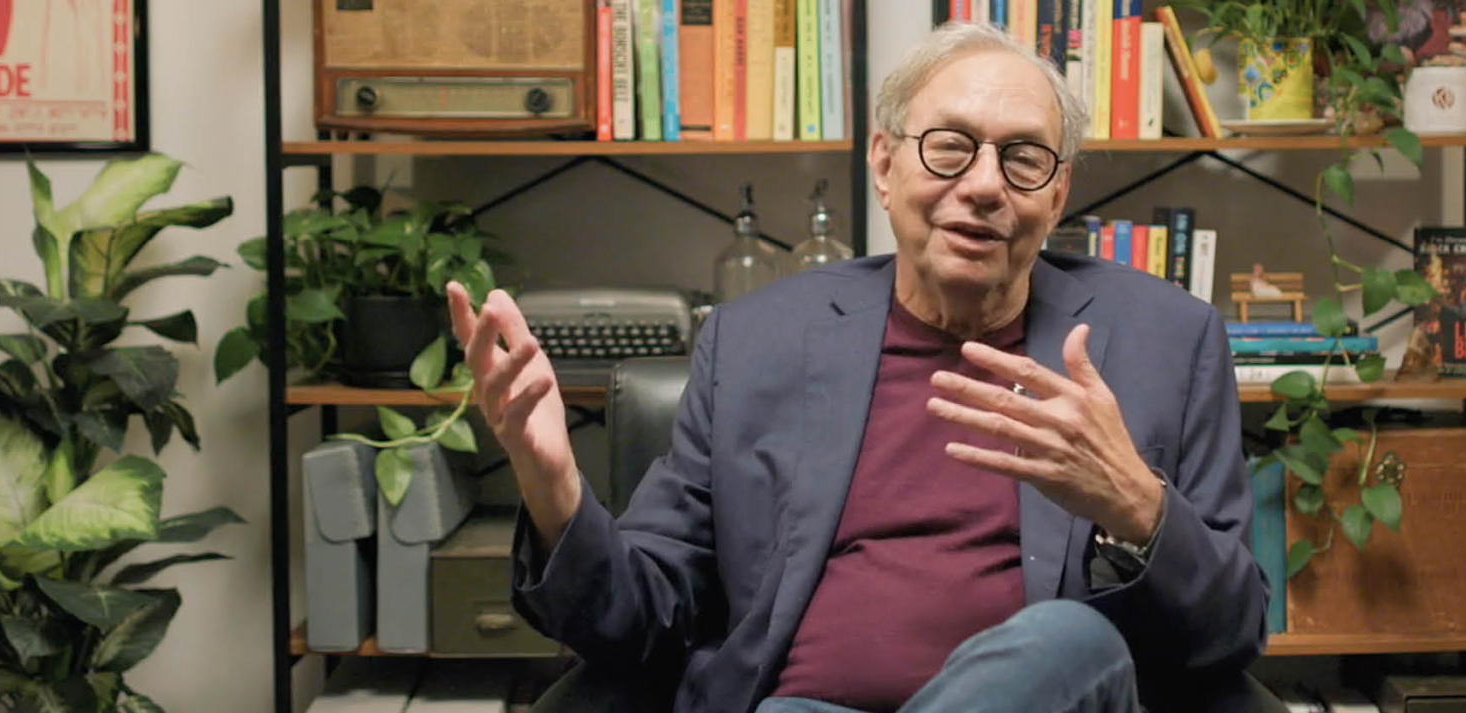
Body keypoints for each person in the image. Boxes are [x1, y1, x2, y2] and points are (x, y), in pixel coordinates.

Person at [443, 22, 1266, 713]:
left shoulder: (1165, 341)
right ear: (883, 163)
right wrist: (553, 488)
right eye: (949, 147)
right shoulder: (756, 341)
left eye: (1023, 158)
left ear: (1055, 195)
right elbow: (638, 622)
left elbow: (1230, 632)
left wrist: (1136, 505)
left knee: (1071, 641)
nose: (984, 185)